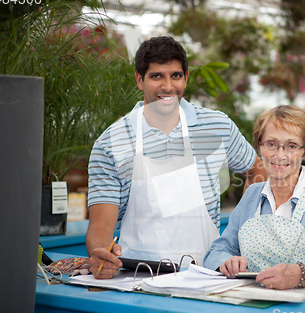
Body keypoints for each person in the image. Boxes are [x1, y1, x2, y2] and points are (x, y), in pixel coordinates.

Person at [86, 36, 266, 279]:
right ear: (139, 79)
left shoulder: (217, 126)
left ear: (186, 77)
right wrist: (101, 254)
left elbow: (258, 169)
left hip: (209, 274)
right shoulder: (111, 142)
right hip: (138, 277)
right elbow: (100, 226)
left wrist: (241, 231)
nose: (168, 87)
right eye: (156, 76)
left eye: (176, 76)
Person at [203, 105, 305, 290]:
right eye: (271, 144)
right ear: (259, 146)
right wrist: (225, 261)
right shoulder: (252, 195)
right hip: (251, 306)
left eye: (291, 146)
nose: (280, 155)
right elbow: (217, 251)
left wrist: (304, 274)